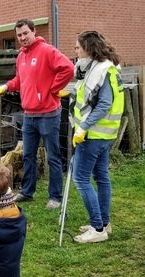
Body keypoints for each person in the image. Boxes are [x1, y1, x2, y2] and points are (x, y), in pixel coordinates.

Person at [0, 18, 74, 209]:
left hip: (49, 114)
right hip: (29, 115)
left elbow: (68, 68)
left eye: (25, 33)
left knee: (53, 156)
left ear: (34, 32)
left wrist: (53, 89)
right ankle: (28, 192)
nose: (22, 37)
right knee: (28, 155)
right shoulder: (21, 56)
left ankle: (55, 197)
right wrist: (6, 86)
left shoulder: (47, 51)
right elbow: (20, 80)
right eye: (19, 35)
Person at [69, 31, 124, 243]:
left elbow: (104, 103)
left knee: (80, 178)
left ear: (89, 49)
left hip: (93, 134)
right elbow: (88, 95)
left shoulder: (101, 69)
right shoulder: (99, 68)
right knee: (101, 177)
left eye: (77, 47)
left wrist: (83, 127)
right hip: (103, 133)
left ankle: (97, 228)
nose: (75, 51)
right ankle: (104, 222)